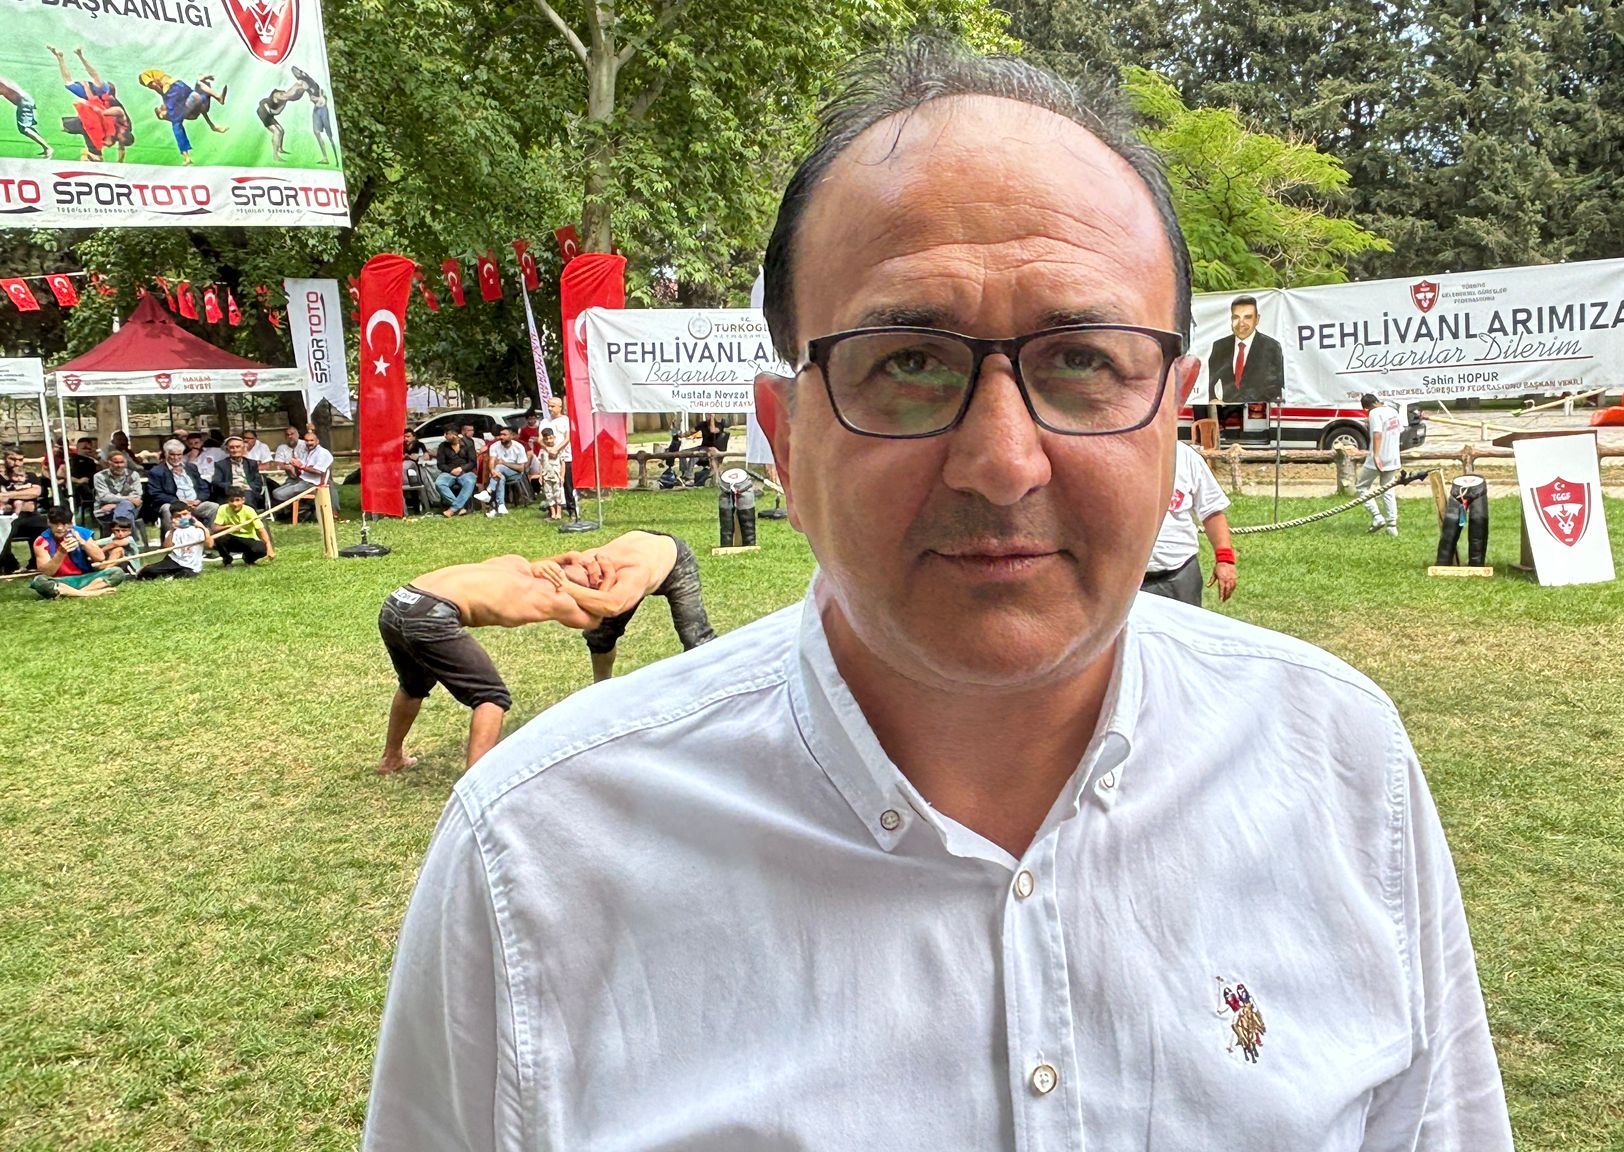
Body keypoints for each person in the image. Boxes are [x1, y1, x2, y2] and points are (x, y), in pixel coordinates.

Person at [365, 38, 1510, 1150]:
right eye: (907, 363)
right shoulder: (537, 859)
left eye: (1082, 359)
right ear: (784, 440)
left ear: (1173, 417)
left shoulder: (1336, 762)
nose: (1002, 462)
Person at [375, 555, 620, 773]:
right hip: (431, 616)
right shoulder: (553, 596)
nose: (590, 569)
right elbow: (596, 616)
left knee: (414, 685)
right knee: (491, 697)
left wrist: (565, 560)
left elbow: (547, 568)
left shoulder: (516, 564)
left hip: (398, 602)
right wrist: (606, 582)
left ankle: (392, 758)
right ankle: (475, 784)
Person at [548, 530, 717, 681]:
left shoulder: (634, 570)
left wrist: (566, 587)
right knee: (599, 635)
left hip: (675, 562)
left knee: (696, 637)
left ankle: (716, 683)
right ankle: (601, 687)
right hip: (641, 547)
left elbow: (613, 605)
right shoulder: (585, 560)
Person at [1141, 439, 1235, 605]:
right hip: (1123, 580)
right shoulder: (1111, 454)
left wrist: (1225, 560)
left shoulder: (1185, 456)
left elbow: (1212, 511)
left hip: (1180, 574)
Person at [47, 45, 132, 163]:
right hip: (103, 96)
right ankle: (80, 55)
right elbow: (101, 109)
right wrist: (86, 88)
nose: (118, 140)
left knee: (68, 83)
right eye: (119, 139)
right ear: (124, 132)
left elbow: (121, 147)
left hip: (95, 102)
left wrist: (120, 162)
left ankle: (60, 57)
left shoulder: (119, 134)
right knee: (97, 80)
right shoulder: (122, 119)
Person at [29, 505, 125, 598]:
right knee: (39, 581)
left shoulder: (81, 533)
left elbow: (100, 558)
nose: (60, 528)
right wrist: (60, 553)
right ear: (49, 522)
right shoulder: (42, 541)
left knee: (117, 572)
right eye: (56, 524)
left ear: (70, 524)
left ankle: (74, 593)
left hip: (85, 577)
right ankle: (88, 593)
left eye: (64, 524)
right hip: (60, 581)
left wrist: (82, 542)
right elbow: (47, 572)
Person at [137, 69, 228, 164]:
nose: (161, 107)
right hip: (180, 85)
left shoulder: (144, 76)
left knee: (176, 125)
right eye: (161, 108)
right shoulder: (177, 109)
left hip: (173, 91)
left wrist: (164, 98)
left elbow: (155, 85)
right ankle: (217, 98)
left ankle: (186, 157)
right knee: (199, 92)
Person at [1207, 293, 1285, 404]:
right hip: (1225, 413)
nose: (1241, 323)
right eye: (1236, 317)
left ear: (1257, 319)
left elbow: (1276, 388)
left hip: (1259, 413)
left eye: (1247, 317)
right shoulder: (1219, 347)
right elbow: (1210, 383)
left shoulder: (1272, 347)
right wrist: (1213, 399)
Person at [144, 440, 216, 541]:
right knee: (166, 508)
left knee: (214, 507)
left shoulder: (191, 467)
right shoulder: (157, 471)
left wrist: (199, 500)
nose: (176, 458)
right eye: (172, 454)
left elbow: (203, 487)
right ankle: (170, 542)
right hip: (174, 504)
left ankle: (209, 539)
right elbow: (155, 493)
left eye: (179, 454)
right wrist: (179, 502)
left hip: (194, 504)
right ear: (166, 454)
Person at [0, 449, 50, 576]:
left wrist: (8, 494)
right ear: (5, 459)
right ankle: (9, 565)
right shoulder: (1, 478)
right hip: (8, 516)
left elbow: (35, 492)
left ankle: (37, 563)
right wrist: (24, 494)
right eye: (13, 459)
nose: (17, 463)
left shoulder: (31, 476)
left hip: (31, 515)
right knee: (5, 530)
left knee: (47, 525)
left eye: (20, 460)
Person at [1359, 392, 1401, 536]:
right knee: (1388, 489)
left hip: (1378, 458)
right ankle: (1392, 526)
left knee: (1362, 486)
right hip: (1393, 457)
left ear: (1366, 408)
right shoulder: (1392, 411)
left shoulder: (1374, 413)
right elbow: (1398, 430)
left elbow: (1377, 433)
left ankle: (1377, 517)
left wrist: (1376, 455)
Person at [138, 501, 206, 580]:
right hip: (173, 560)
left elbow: (210, 544)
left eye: (185, 514)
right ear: (172, 518)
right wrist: (172, 530)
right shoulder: (172, 531)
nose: (182, 518)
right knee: (149, 571)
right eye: (178, 516)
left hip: (190, 565)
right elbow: (167, 548)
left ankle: (172, 576)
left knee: (186, 573)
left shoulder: (198, 529)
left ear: (190, 514)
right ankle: (145, 569)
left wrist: (203, 527)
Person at [207, 486, 272, 566]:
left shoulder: (249, 510)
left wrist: (269, 548)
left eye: (237, 500)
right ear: (227, 501)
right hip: (231, 539)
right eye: (231, 501)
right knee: (219, 538)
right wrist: (229, 527)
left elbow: (261, 530)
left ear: (243, 500)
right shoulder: (222, 509)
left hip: (248, 538)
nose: (235, 504)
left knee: (262, 549)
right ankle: (227, 561)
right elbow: (215, 528)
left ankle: (248, 559)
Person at [273, 428, 332, 508]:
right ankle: (298, 509)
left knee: (278, 494)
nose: (309, 443)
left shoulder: (322, 453)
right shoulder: (308, 452)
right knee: (275, 492)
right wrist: (296, 465)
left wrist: (302, 466)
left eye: (311, 440)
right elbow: (299, 471)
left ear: (317, 441)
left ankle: (303, 508)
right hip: (301, 480)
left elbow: (319, 471)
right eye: (307, 441)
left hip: (312, 484)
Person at [290, 66, 337, 165]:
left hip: (322, 108)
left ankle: (336, 159)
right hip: (317, 108)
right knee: (317, 132)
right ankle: (325, 157)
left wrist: (320, 98)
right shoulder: (306, 80)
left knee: (329, 134)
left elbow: (297, 89)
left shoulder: (306, 80)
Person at [0, 74, 52, 158]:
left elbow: (3, 90)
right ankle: (46, 147)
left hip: (24, 101)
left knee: (24, 128)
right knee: (28, 128)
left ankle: (47, 148)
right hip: (26, 100)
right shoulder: (3, 79)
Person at [434, 425, 480, 515]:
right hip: (449, 472)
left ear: (456, 435)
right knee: (439, 483)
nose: (446, 436)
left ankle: (453, 509)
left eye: (448, 434)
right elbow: (440, 464)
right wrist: (451, 470)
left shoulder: (468, 444)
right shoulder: (443, 446)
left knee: (469, 482)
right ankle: (459, 508)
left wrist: (461, 468)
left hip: (465, 472)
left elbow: (472, 462)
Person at [211, 435, 268, 509]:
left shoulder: (251, 463)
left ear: (243, 449)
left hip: (248, 491)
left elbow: (257, 482)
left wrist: (248, 488)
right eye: (232, 447)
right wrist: (233, 488)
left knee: (247, 496)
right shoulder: (220, 464)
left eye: (238, 447)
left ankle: (248, 515)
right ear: (227, 450)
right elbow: (216, 482)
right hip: (229, 492)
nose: (235, 450)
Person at [255, 78, 306, 159]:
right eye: (281, 95)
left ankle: (280, 149)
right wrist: (267, 108)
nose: (283, 96)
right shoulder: (275, 96)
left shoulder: (284, 99)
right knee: (277, 132)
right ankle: (275, 155)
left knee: (281, 130)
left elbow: (278, 111)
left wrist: (300, 87)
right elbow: (262, 102)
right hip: (263, 113)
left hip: (269, 114)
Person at [483, 426, 529, 516]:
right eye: (500, 434)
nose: (501, 437)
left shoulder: (519, 447)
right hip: (498, 474)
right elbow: (492, 461)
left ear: (512, 436)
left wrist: (504, 463)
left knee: (499, 467)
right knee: (500, 477)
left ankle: (489, 491)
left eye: (504, 435)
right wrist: (492, 470)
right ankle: (501, 505)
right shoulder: (494, 446)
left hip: (515, 473)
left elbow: (521, 468)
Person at [92, 450, 143, 526]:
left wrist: (116, 506)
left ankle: (119, 529)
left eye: (122, 462)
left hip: (128, 507)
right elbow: (104, 497)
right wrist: (128, 499)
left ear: (125, 463)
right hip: (104, 510)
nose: (119, 465)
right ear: (109, 463)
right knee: (127, 510)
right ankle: (127, 531)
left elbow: (137, 496)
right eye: (116, 462)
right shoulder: (100, 476)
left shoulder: (134, 475)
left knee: (127, 507)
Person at [534, 428, 567, 519]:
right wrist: (540, 476)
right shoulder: (543, 450)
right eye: (546, 439)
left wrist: (562, 476)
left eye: (550, 438)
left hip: (556, 475)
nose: (549, 441)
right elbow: (541, 463)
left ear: (554, 437)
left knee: (558, 493)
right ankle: (553, 512)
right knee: (549, 494)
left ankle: (559, 512)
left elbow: (563, 463)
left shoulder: (559, 449)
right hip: (546, 476)